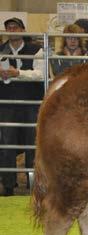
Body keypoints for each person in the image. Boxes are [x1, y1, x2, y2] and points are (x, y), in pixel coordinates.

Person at [0, 17, 44, 196]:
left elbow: (41, 74)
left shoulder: (36, 50)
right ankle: (8, 185)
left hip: (31, 104)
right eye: (9, 27)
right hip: (7, 104)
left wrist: (18, 73)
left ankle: (32, 184)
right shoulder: (1, 50)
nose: (12, 30)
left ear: (23, 30)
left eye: (16, 27)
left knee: (32, 145)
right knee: (7, 144)